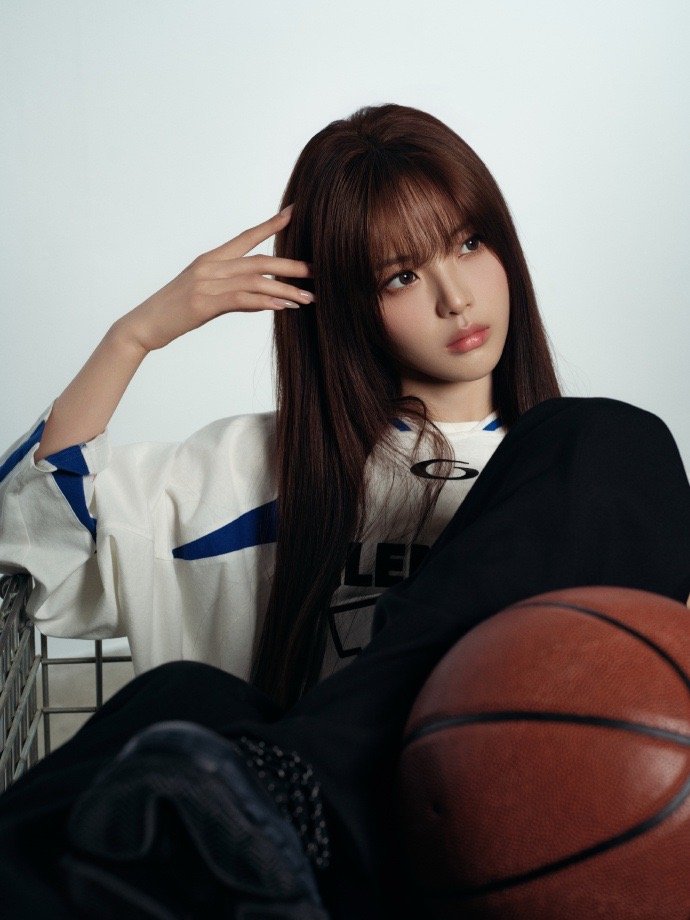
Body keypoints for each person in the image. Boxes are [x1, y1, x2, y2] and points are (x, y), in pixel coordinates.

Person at [0, 103, 688, 919]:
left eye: (469, 243)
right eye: (401, 276)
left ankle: (304, 786)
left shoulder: (586, 480)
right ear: (342, 302)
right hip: (269, 870)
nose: (456, 297)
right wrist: (135, 335)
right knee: (185, 702)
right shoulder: (258, 469)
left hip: (488, 860)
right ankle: (275, 803)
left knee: (611, 435)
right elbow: (36, 535)